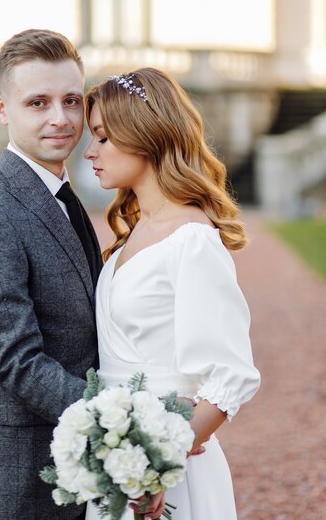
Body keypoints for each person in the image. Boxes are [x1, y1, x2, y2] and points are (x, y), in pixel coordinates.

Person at [84, 68, 261, 520]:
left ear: (143, 134)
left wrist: (161, 463)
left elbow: (231, 375)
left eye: (103, 138)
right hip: (117, 457)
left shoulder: (192, 240)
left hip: (166, 473)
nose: (89, 152)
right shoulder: (136, 229)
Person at [0, 29, 104, 520]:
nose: (60, 119)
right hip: (24, 476)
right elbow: (16, 362)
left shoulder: (59, 191)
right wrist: (118, 421)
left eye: (71, 101)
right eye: (37, 102)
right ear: (1, 107)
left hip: (77, 465)